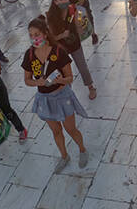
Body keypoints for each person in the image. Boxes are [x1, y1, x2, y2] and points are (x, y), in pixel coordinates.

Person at [22, 16, 88, 172]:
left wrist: (61, 80)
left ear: (45, 34)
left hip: (62, 96)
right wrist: (38, 83)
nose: (34, 38)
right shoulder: (29, 55)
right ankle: (64, 156)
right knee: (56, 131)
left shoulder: (58, 52)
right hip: (45, 99)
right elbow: (27, 80)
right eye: (31, 35)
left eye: (37, 34)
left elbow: (70, 77)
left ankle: (82, 150)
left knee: (70, 129)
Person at [46, 0, 97, 100]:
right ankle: (67, 91)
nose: (63, 1)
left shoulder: (73, 10)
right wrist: (62, 35)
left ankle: (91, 87)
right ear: (55, 1)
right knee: (64, 70)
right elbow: (51, 38)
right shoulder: (51, 16)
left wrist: (80, 25)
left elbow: (80, 29)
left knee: (82, 66)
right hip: (60, 47)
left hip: (74, 43)